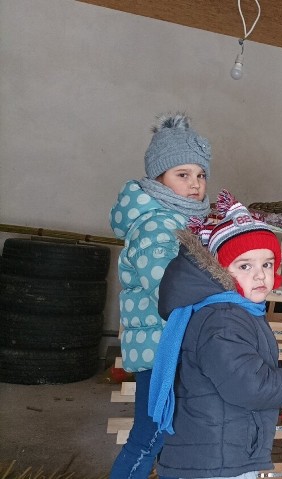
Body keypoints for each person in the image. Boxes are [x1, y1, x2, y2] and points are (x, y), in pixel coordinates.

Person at [148, 192, 282, 479]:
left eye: (266, 264)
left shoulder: (234, 310)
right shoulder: (223, 318)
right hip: (216, 463)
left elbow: (237, 370)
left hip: (217, 452)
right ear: (219, 271)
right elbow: (248, 386)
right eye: (245, 265)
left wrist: (277, 374)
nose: (260, 275)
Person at [109, 112, 213, 479]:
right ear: (158, 178)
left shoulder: (180, 222)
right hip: (160, 351)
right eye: (182, 175)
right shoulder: (157, 225)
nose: (195, 184)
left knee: (169, 436)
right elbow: (170, 288)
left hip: (172, 346)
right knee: (148, 438)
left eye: (200, 175)